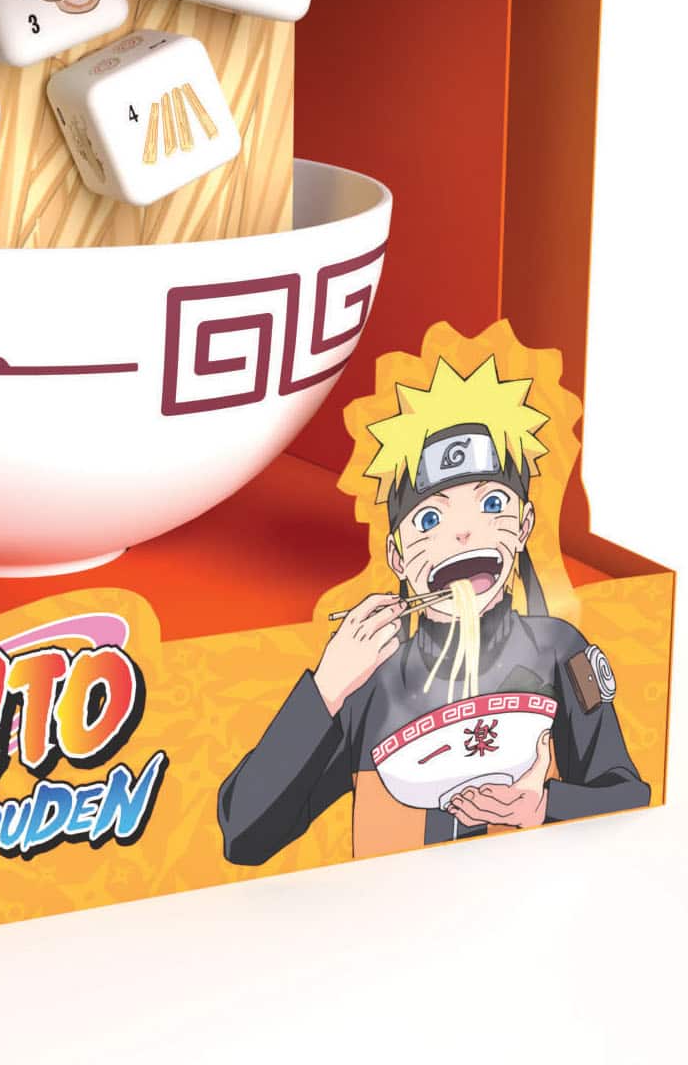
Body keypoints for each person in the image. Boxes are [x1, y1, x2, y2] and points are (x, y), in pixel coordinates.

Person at [218, 351, 647, 863]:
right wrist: (326, 687)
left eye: (492, 504)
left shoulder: (559, 649)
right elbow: (245, 838)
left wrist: (545, 806)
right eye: (428, 520)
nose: (463, 532)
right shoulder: (371, 681)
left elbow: (628, 795)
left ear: (524, 526)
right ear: (397, 557)